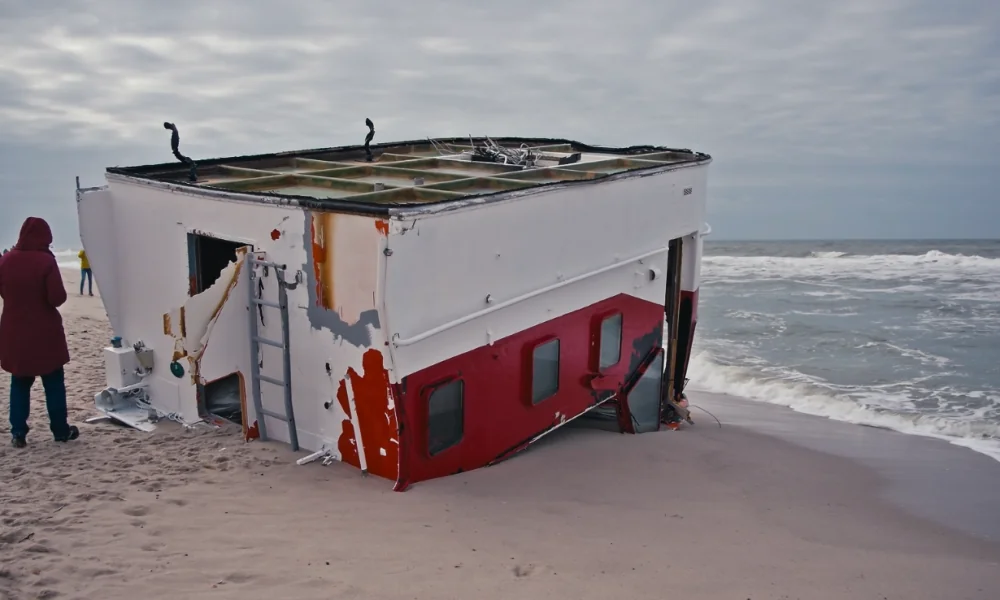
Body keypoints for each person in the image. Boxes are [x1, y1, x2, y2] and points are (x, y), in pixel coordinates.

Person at [0, 216, 79, 448]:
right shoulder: (46, 261)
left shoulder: (5, 260)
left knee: (20, 382)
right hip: (44, 332)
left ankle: (18, 433)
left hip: (14, 331)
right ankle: (60, 431)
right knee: (53, 382)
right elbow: (57, 298)